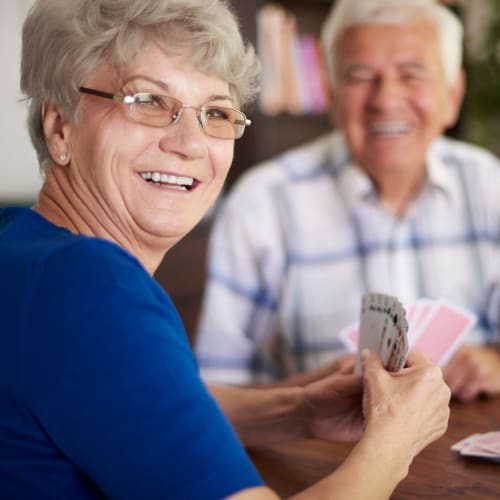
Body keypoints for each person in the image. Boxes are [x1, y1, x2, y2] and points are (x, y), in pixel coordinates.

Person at [0, 0, 451, 498]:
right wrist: (396, 437)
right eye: (148, 101)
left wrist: (294, 411)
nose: (190, 143)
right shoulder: (91, 288)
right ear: (59, 125)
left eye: (216, 112)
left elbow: (130, 406)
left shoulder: (25, 247)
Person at [195, 0, 500, 401]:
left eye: (411, 75)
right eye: (360, 76)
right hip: (321, 459)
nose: (386, 99)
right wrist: (306, 398)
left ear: (453, 94)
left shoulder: (489, 184)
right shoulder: (261, 205)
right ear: (332, 94)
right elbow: (216, 397)